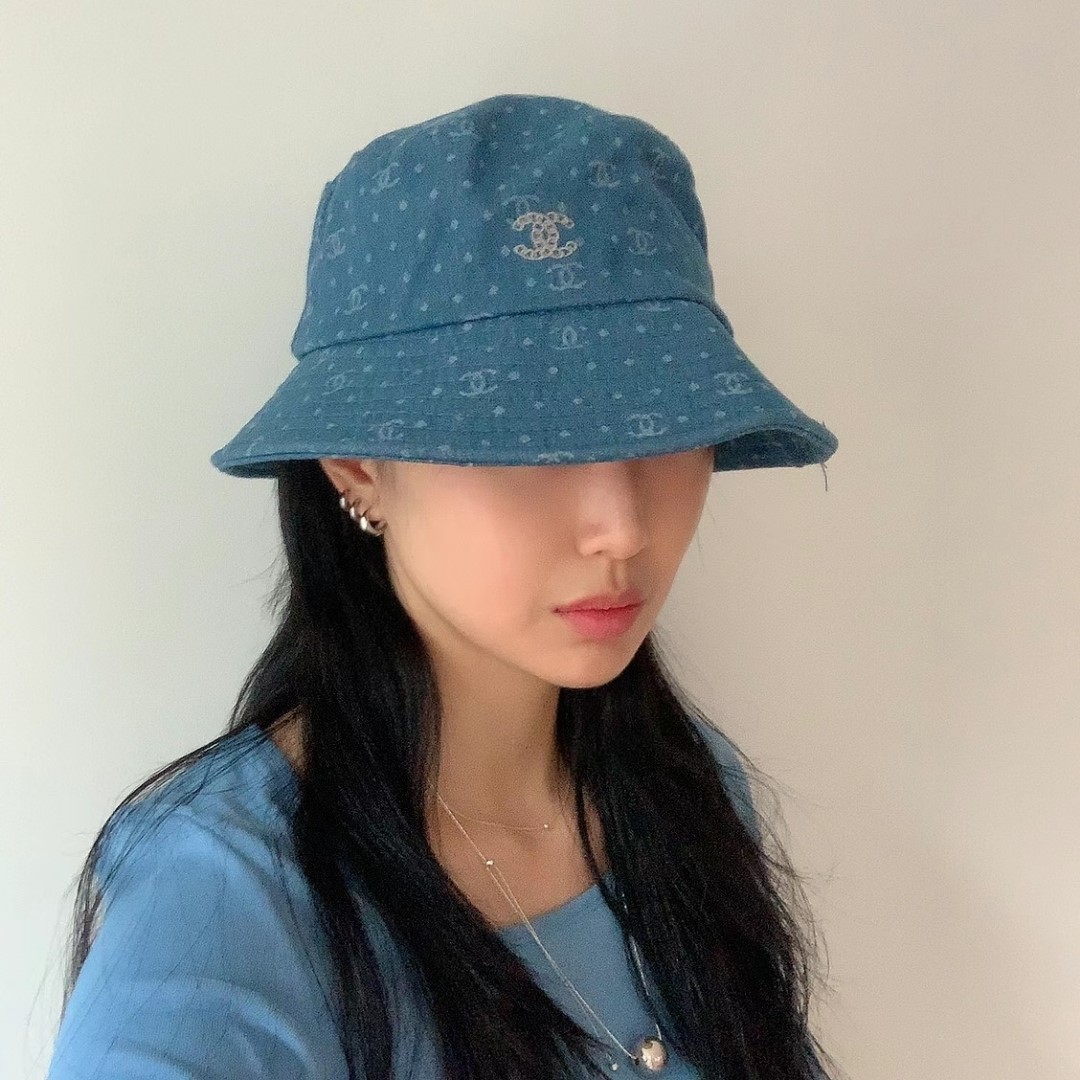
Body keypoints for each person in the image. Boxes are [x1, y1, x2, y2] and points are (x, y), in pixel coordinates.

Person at [47, 93, 842, 1080]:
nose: (623, 527)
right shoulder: (224, 904)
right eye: (528, 437)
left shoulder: (682, 788)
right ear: (357, 464)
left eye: (665, 426)